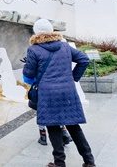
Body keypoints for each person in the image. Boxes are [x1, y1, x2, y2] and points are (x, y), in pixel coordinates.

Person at [23, 19, 95, 167]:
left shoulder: (34, 49)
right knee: (74, 126)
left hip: (48, 94)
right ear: (51, 31)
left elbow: (28, 76)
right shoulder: (65, 46)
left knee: (53, 126)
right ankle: (89, 161)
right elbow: (84, 59)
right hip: (68, 92)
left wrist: (33, 75)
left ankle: (59, 163)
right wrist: (73, 77)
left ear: (36, 32)